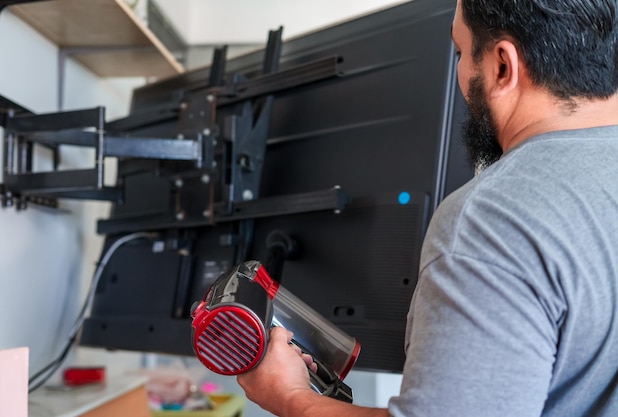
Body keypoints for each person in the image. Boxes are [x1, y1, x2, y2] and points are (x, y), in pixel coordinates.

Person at [237, 0, 618, 415]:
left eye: (460, 53)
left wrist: (292, 399)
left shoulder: (494, 217)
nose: (458, 73)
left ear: (502, 67)